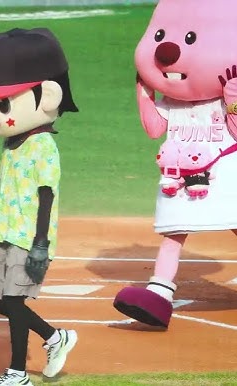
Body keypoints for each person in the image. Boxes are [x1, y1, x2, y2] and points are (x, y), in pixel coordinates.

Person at [0, 28, 79, 386]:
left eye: (2, 103)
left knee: (13, 301)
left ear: (47, 96)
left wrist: (41, 244)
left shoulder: (43, 147)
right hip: (5, 233)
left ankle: (18, 373)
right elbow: (2, 191)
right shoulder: (10, 146)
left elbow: (47, 195)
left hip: (28, 238)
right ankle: (56, 337)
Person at [113, 0, 237, 330]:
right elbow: (155, 128)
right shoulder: (173, 103)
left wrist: (233, 100)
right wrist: (144, 94)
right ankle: (159, 294)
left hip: (224, 170)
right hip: (181, 174)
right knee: (174, 232)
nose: (167, 50)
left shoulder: (222, 98)